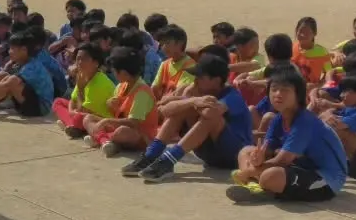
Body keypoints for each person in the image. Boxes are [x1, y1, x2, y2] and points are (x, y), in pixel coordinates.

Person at [227, 65, 347, 204]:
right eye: (274, 89)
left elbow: (282, 160)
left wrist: (248, 171)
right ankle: (256, 186)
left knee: (271, 176)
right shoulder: (279, 118)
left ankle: (256, 182)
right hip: (299, 167)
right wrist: (257, 158)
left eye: (285, 90)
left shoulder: (305, 121)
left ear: (298, 95)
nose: (278, 94)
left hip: (327, 180)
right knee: (245, 151)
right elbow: (268, 149)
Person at [122, 56, 253, 183]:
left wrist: (186, 101)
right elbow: (163, 110)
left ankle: (168, 161)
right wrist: (191, 100)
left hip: (235, 156)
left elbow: (210, 112)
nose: (195, 80)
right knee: (182, 108)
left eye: (201, 77)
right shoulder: (197, 92)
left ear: (217, 80)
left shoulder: (232, 95)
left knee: (210, 117)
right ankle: (151, 155)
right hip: (210, 155)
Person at [83, 48, 159, 157]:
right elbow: (115, 111)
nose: (113, 74)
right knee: (88, 118)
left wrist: (106, 121)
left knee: (122, 131)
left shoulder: (142, 92)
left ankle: (102, 139)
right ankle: (105, 141)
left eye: (114, 71)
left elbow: (134, 123)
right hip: (120, 128)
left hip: (140, 136)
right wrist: (110, 103)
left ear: (123, 73)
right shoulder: (122, 86)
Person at [53, 43, 114, 137]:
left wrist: (80, 89)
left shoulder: (100, 82)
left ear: (96, 63)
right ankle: (72, 126)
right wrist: (71, 111)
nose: (80, 62)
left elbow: (84, 111)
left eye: (84, 59)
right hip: (83, 113)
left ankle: (71, 125)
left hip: (100, 119)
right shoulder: (84, 75)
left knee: (78, 117)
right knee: (58, 102)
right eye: (78, 59)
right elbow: (72, 100)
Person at [150, 24, 196, 101]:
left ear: (180, 43)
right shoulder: (164, 64)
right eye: (161, 44)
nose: (163, 47)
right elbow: (154, 89)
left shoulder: (190, 66)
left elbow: (179, 94)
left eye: (167, 43)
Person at [291, 17, 331, 85]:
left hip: (311, 91)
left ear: (314, 33)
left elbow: (329, 72)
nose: (302, 35)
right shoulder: (291, 47)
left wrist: (317, 86)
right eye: (300, 31)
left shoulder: (322, 52)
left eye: (307, 32)